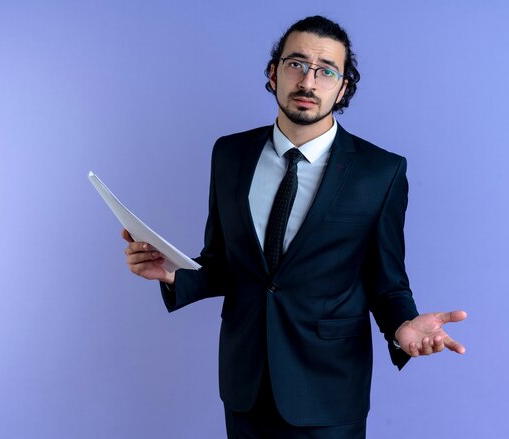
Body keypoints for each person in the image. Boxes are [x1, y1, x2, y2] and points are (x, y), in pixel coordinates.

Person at [122, 15, 467, 439]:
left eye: (326, 71)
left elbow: (387, 281)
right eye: (296, 64)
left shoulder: (380, 172)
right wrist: (175, 273)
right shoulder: (229, 155)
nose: (309, 81)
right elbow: (225, 260)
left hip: (329, 390)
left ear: (342, 88)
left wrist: (403, 326)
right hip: (245, 385)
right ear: (273, 73)